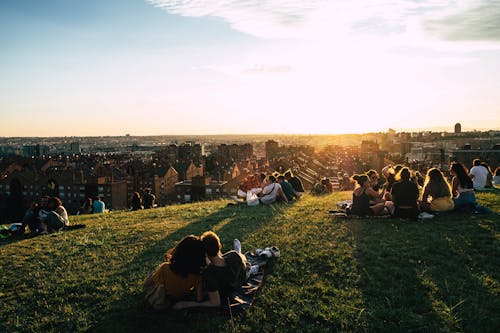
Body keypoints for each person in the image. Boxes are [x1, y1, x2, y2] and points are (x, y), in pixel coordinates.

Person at [173, 231, 250, 309]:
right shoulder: (233, 256)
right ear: (220, 246)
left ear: (205, 254)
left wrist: (187, 304)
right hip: (241, 277)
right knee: (238, 257)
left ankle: (240, 254)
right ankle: (239, 252)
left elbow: (215, 303)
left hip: (234, 283)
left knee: (237, 261)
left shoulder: (209, 274)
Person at [143, 235, 206, 310]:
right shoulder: (197, 275)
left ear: (179, 250)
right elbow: (199, 298)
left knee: (156, 273)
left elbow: (147, 284)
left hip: (165, 294)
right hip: (179, 296)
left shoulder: (165, 268)